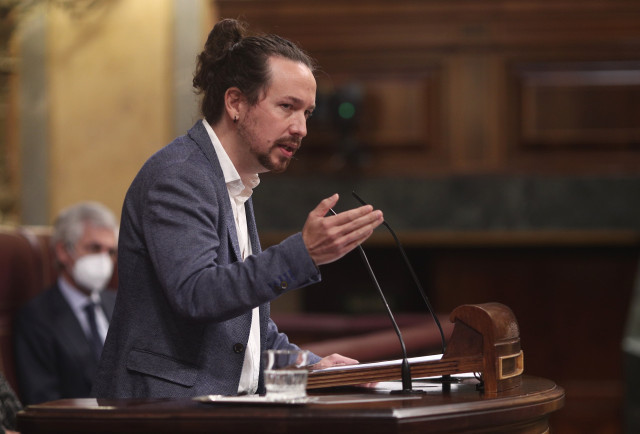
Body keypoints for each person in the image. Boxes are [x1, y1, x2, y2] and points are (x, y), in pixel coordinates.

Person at [92, 18, 383, 399]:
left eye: (307, 113)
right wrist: (303, 253)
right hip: (165, 413)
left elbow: (241, 327)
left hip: (224, 409)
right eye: (287, 107)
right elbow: (197, 293)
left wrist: (308, 363)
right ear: (235, 103)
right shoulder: (181, 175)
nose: (301, 129)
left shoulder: (232, 181)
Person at [14, 202, 118, 405]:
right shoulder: (36, 317)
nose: (104, 260)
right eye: (94, 248)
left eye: (111, 252)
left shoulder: (120, 304)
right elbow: (42, 401)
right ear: (63, 251)